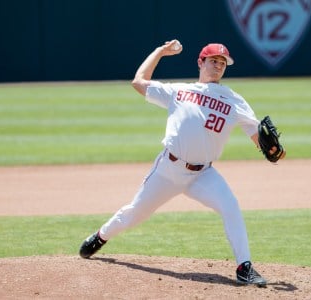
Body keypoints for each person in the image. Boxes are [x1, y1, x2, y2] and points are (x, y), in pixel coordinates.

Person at [79, 40, 283, 287]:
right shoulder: (178, 91)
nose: (218, 66)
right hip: (168, 170)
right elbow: (138, 82)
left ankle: (244, 268)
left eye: (222, 63)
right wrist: (160, 52)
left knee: (230, 206)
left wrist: (275, 152)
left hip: (203, 175)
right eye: (213, 61)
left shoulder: (233, 100)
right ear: (200, 62)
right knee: (134, 213)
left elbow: (257, 136)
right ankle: (101, 236)